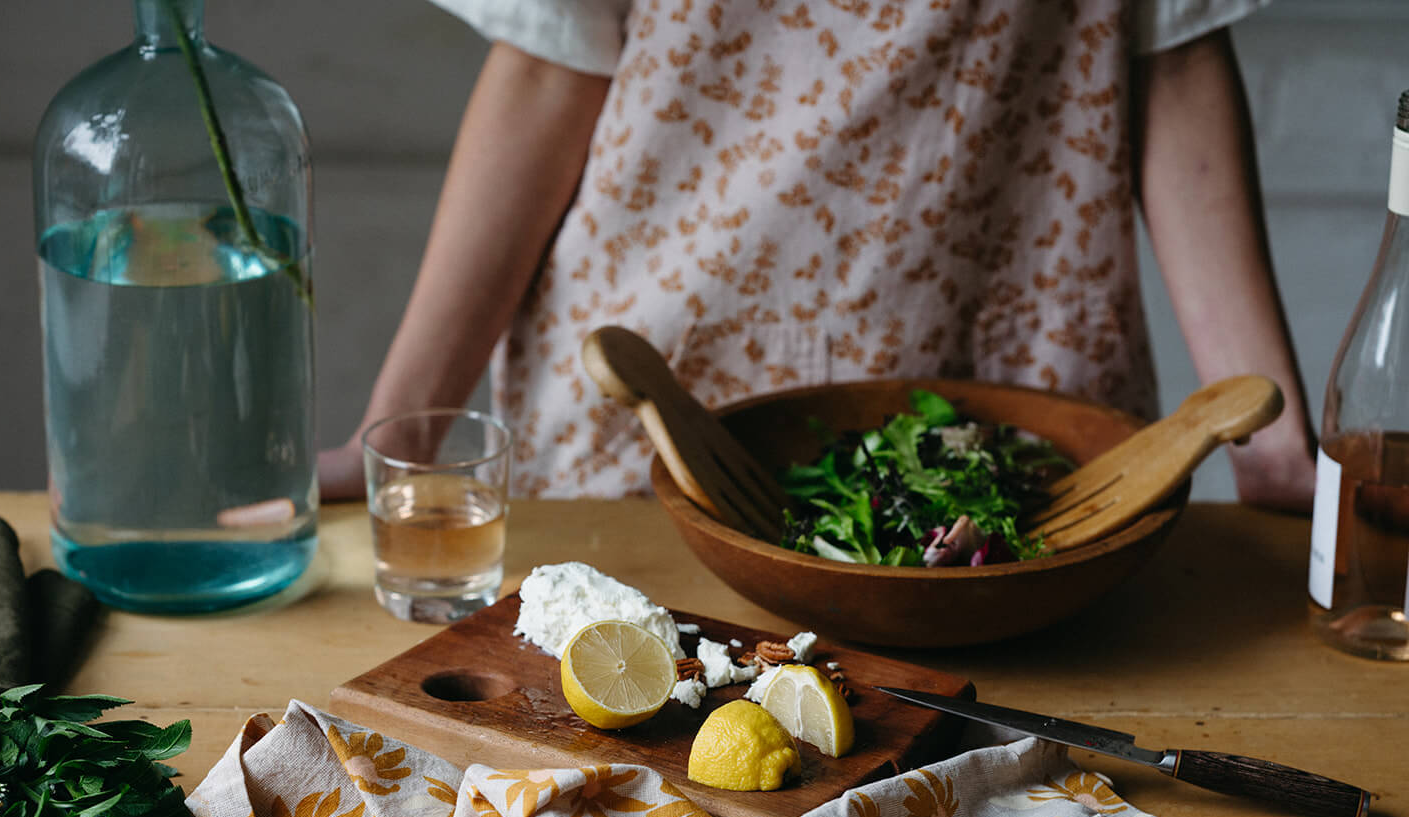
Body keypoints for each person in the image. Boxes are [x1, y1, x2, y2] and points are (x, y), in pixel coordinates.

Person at [320, 0, 1315, 511]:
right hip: (652, 404)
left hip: (1010, 396)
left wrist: (1273, 447)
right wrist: (399, 431)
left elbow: (1174, 51)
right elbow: (549, 67)